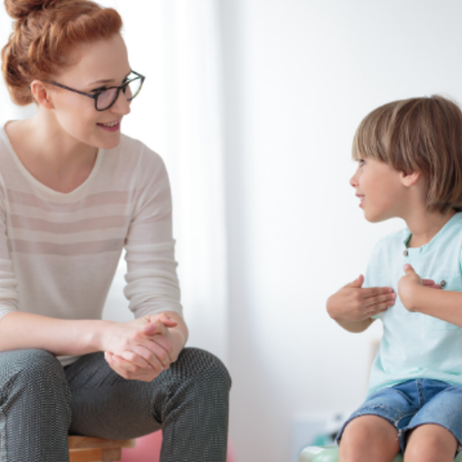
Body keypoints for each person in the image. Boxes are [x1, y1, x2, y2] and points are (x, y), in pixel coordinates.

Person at [0, 0, 231, 461]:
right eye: (102, 90)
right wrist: (107, 335)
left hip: (78, 382)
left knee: (200, 372)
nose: (123, 104)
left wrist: (158, 342)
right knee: (33, 368)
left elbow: (158, 296)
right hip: (15, 374)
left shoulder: (141, 168)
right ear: (44, 94)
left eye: (125, 84)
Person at [326, 95, 462, 462]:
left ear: (408, 170)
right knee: (357, 438)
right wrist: (342, 311)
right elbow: (365, 321)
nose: (353, 178)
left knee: (428, 443)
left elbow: (417, 302)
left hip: (457, 389)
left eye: (363, 163)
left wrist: (421, 299)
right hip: (395, 388)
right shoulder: (386, 250)